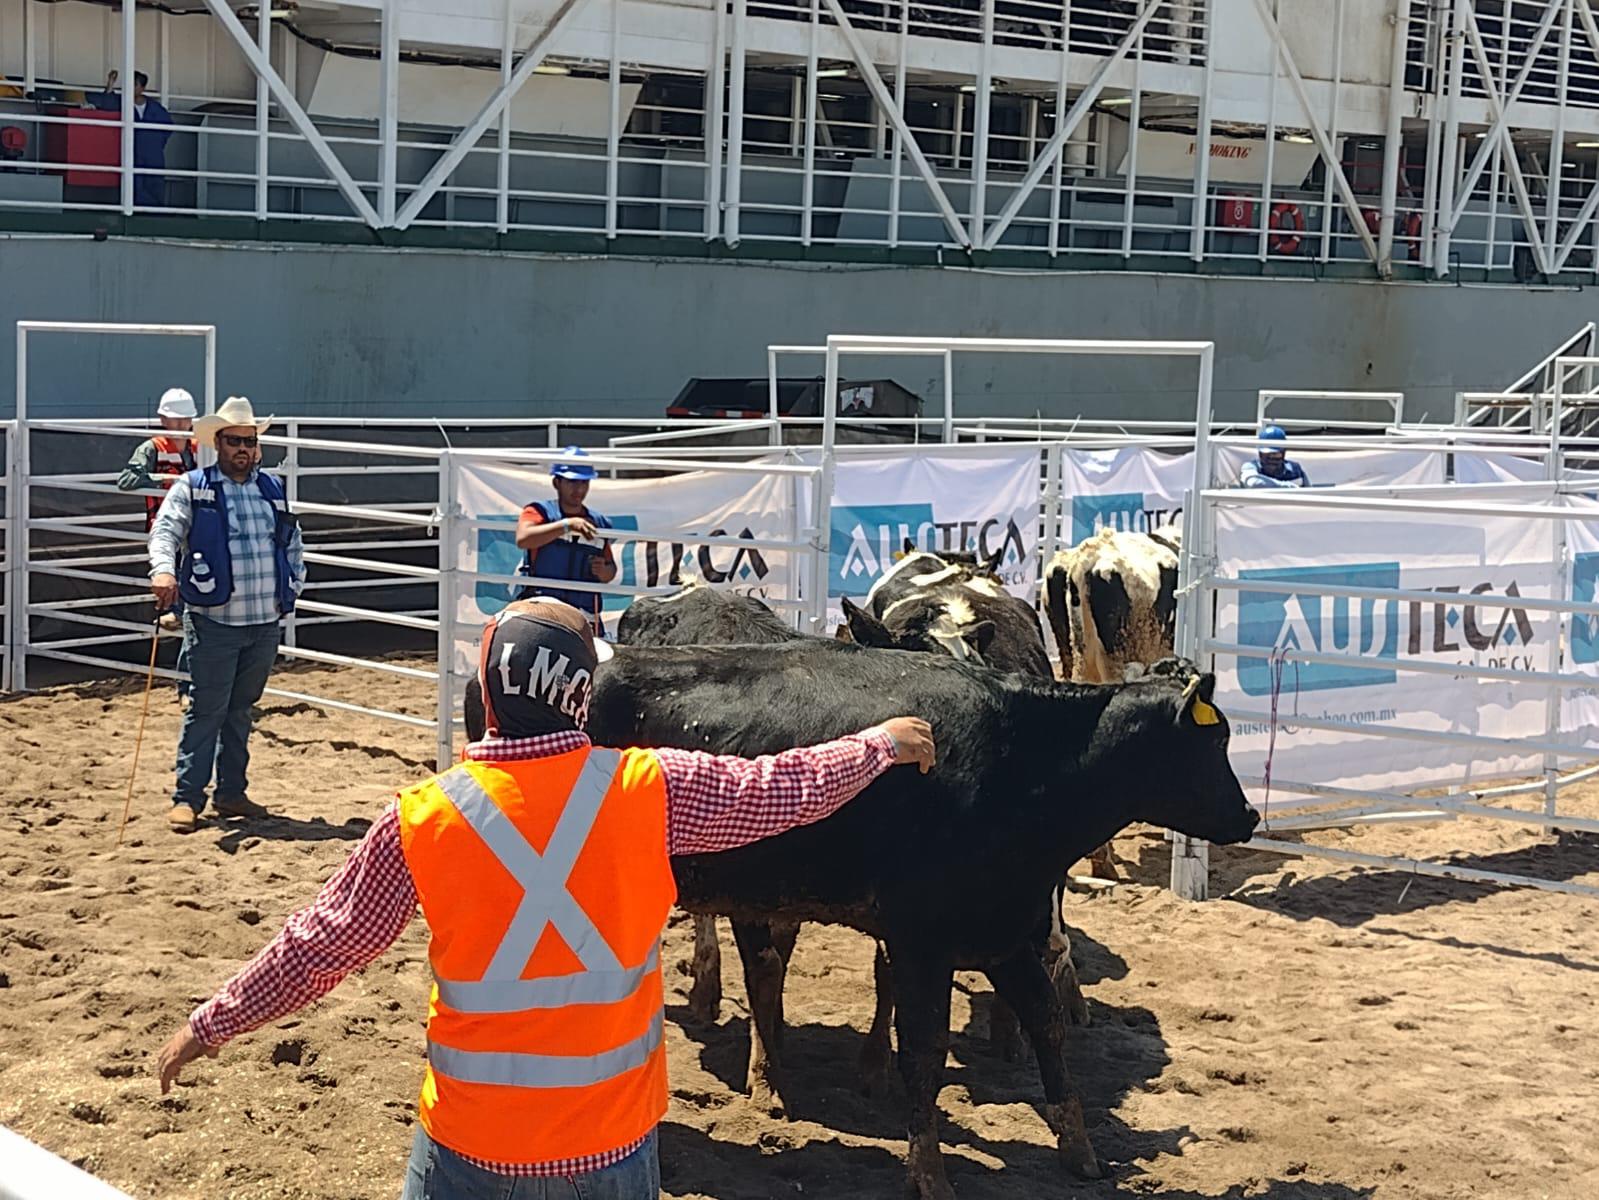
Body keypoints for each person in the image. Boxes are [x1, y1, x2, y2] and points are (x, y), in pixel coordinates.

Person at [154, 597, 936, 1197]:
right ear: (581, 696)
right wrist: (877, 746)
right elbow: (779, 789)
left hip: (472, 1143)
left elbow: (322, 943)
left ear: (486, 694)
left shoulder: (423, 817)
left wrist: (210, 1025)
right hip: (611, 1140)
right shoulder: (648, 789)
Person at [148, 396, 304, 834]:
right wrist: (162, 571)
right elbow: (165, 533)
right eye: (235, 440)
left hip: (262, 619)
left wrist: (293, 585)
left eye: (250, 442)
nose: (244, 449)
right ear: (218, 443)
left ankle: (231, 791)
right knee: (207, 709)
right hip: (215, 620)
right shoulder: (194, 487)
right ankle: (188, 796)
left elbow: (292, 543)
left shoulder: (271, 488)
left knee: (240, 708)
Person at [119, 387, 198, 646]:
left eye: (184, 419)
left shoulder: (201, 447)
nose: (180, 424)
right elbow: (127, 479)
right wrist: (162, 479)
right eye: (174, 419)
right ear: (163, 420)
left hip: (198, 522)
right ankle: (177, 612)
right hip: (167, 524)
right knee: (173, 567)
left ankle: (181, 613)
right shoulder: (151, 448)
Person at [514, 446, 619, 633]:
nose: (579, 489)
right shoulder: (538, 511)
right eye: (572, 482)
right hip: (543, 612)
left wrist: (603, 570)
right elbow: (523, 538)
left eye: (584, 482)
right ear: (557, 483)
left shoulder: (600, 522)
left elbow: (610, 571)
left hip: (585, 618)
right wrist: (566, 525)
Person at [89, 69, 173, 208]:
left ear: (142, 87)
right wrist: (110, 84)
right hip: (132, 153)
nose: (129, 88)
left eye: (134, 84)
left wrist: (154, 144)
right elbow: (107, 105)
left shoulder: (156, 108)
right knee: (134, 186)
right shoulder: (122, 103)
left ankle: (156, 214)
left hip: (153, 155)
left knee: (155, 185)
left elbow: (168, 128)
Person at [1239, 424, 1310, 488]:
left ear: (1283, 453)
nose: (1271, 458)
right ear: (1260, 454)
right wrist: (1289, 486)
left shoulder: (1295, 469)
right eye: (1267, 454)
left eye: (1275, 454)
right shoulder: (1250, 467)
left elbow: (1310, 491)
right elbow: (1253, 483)